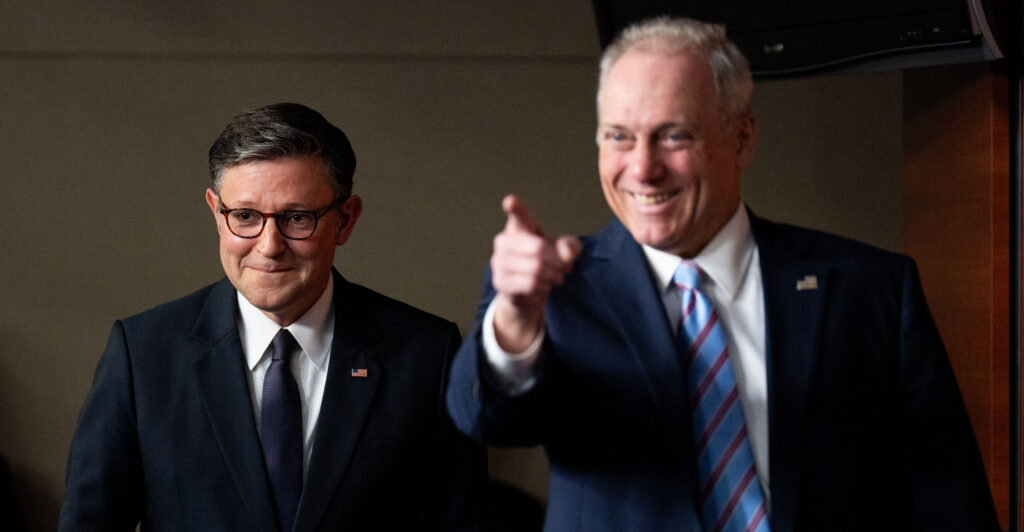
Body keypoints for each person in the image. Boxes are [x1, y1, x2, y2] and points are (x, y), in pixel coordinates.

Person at [445, 16, 998, 532]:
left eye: (673, 135)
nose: (641, 168)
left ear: (742, 138)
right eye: (619, 136)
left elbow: (948, 497)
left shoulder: (872, 289)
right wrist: (515, 322)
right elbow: (488, 422)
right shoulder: (549, 290)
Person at [60, 102, 483, 531]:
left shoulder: (428, 354)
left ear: (345, 219)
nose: (269, 245)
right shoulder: (144, 355)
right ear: (215, 213)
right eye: (245, 216)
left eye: (297, 218)